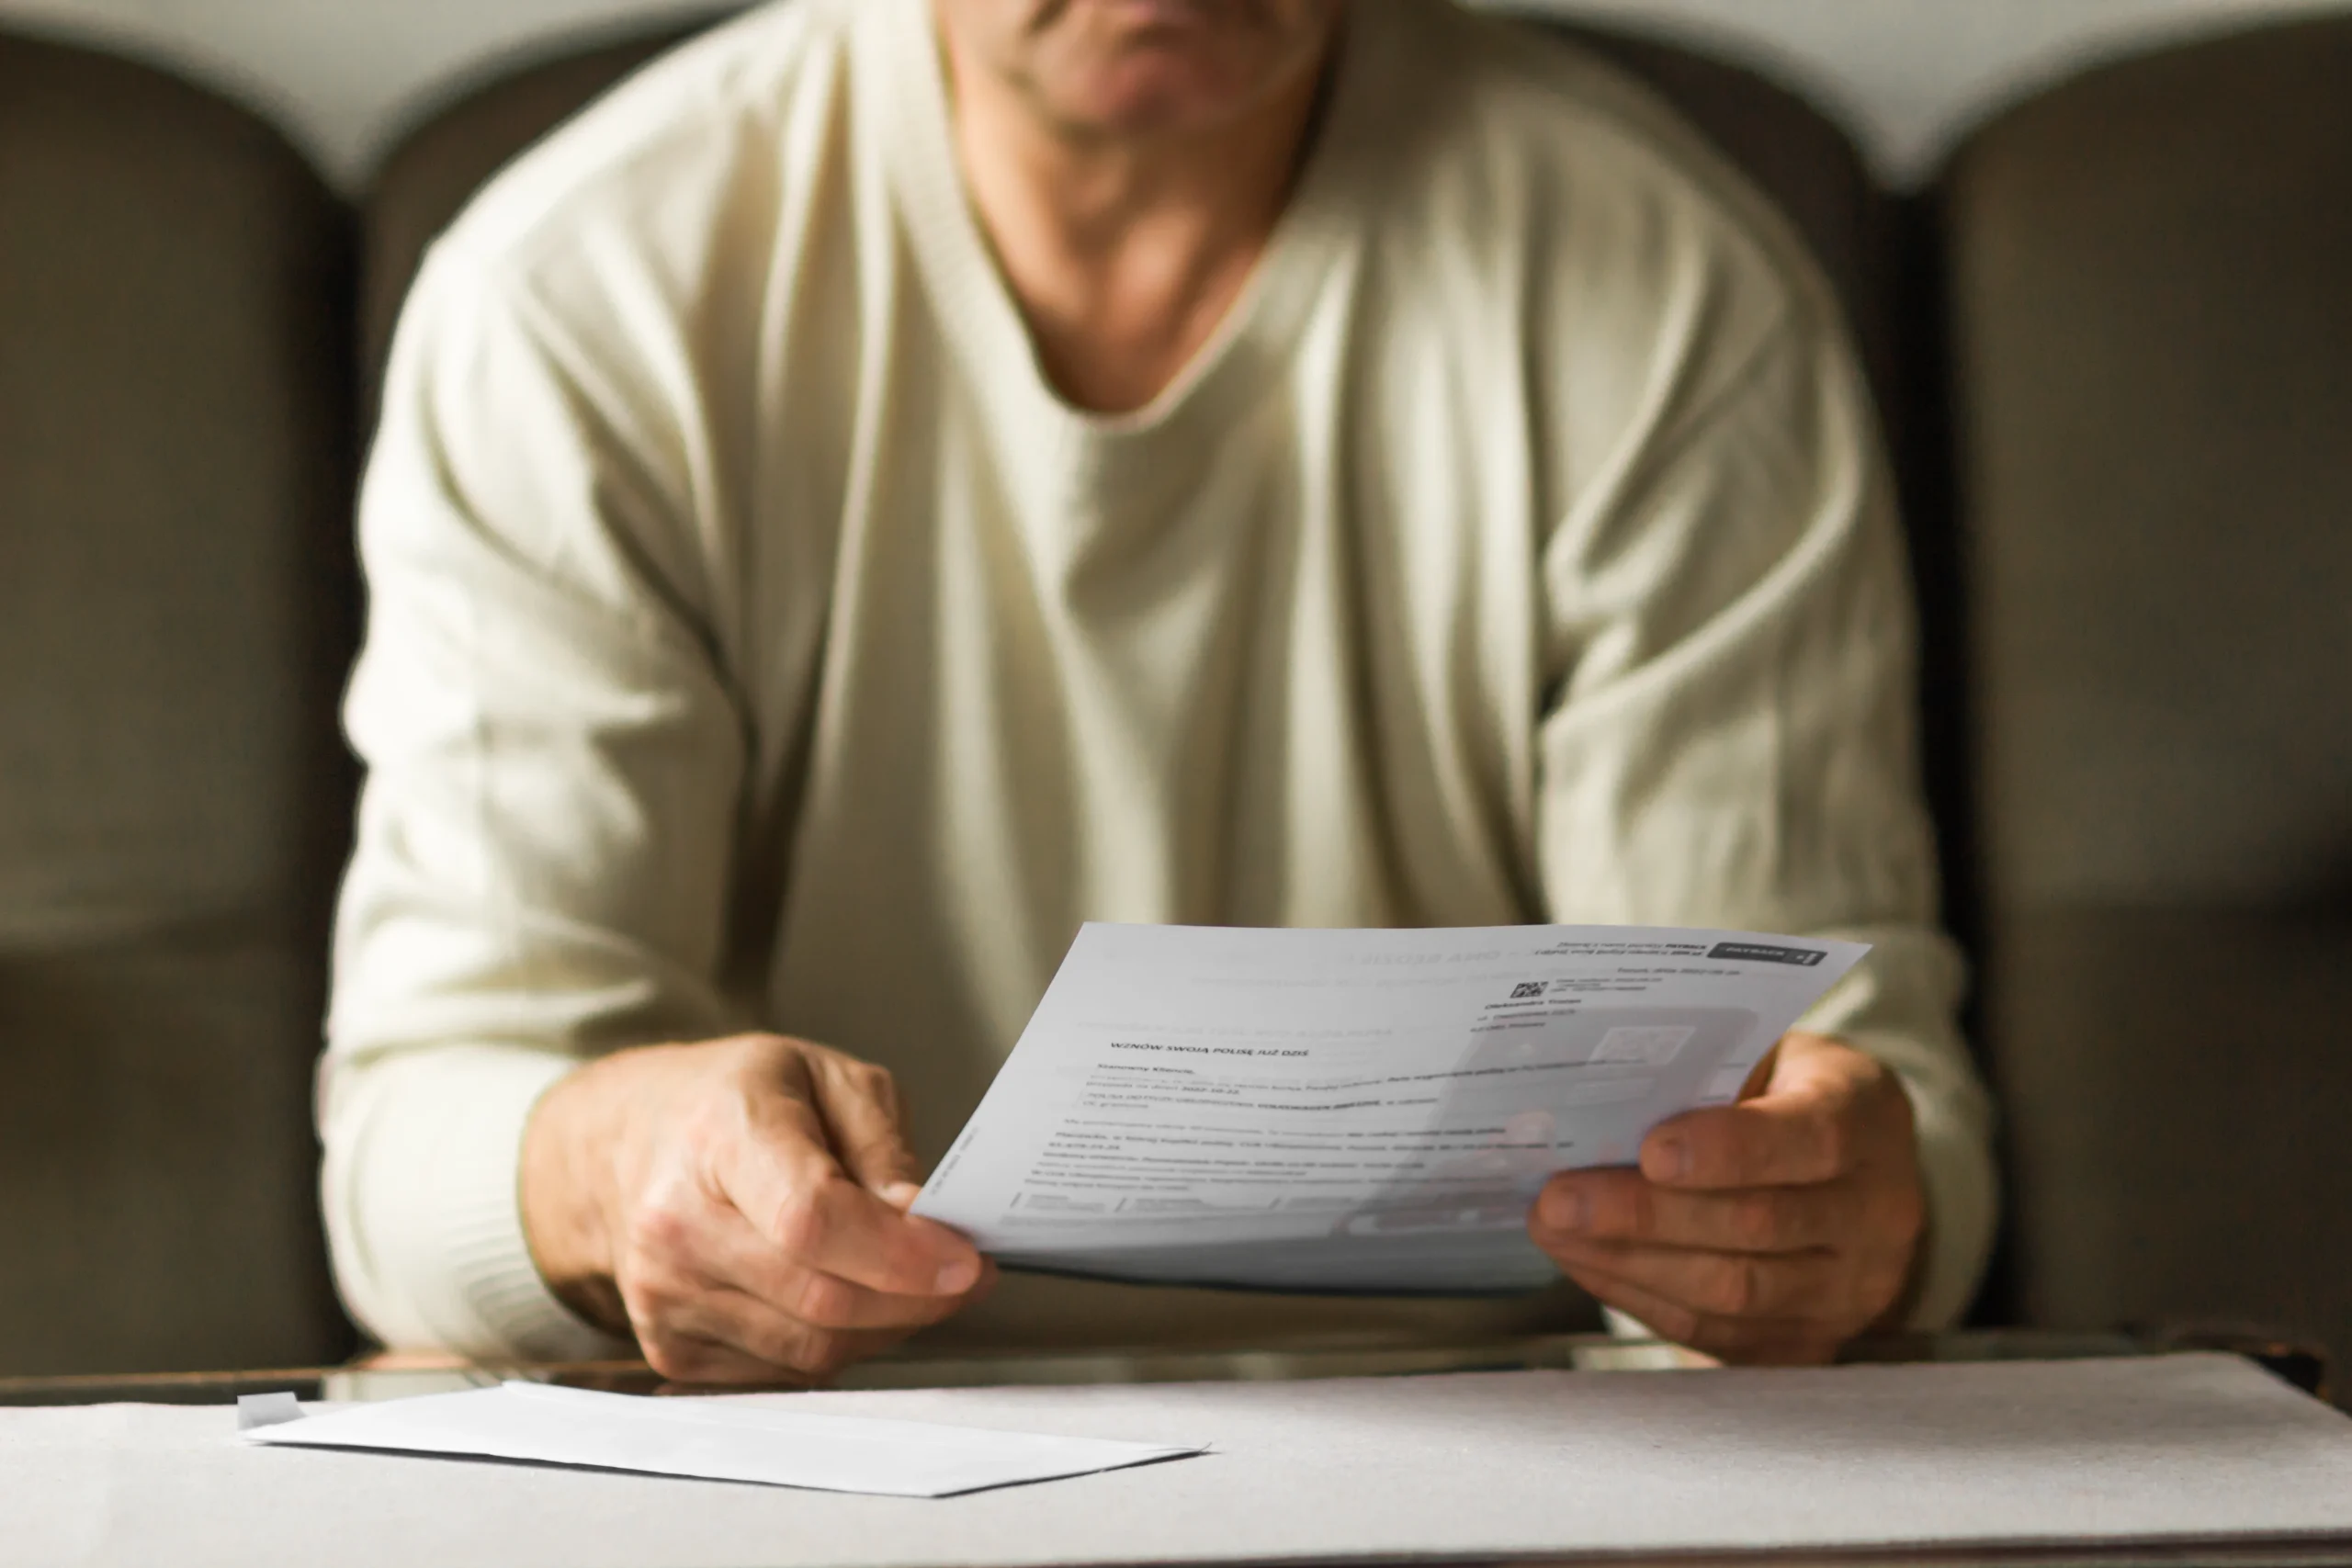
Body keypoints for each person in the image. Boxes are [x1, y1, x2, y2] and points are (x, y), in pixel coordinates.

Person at [322, 0, 1996, 1384]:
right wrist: (614, 1168)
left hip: (1504, 1438)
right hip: (810, 1452)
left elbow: (1855, 1096)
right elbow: (420, 1137)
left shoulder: (1675, 293)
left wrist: (1833, 1215)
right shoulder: (577, 298)